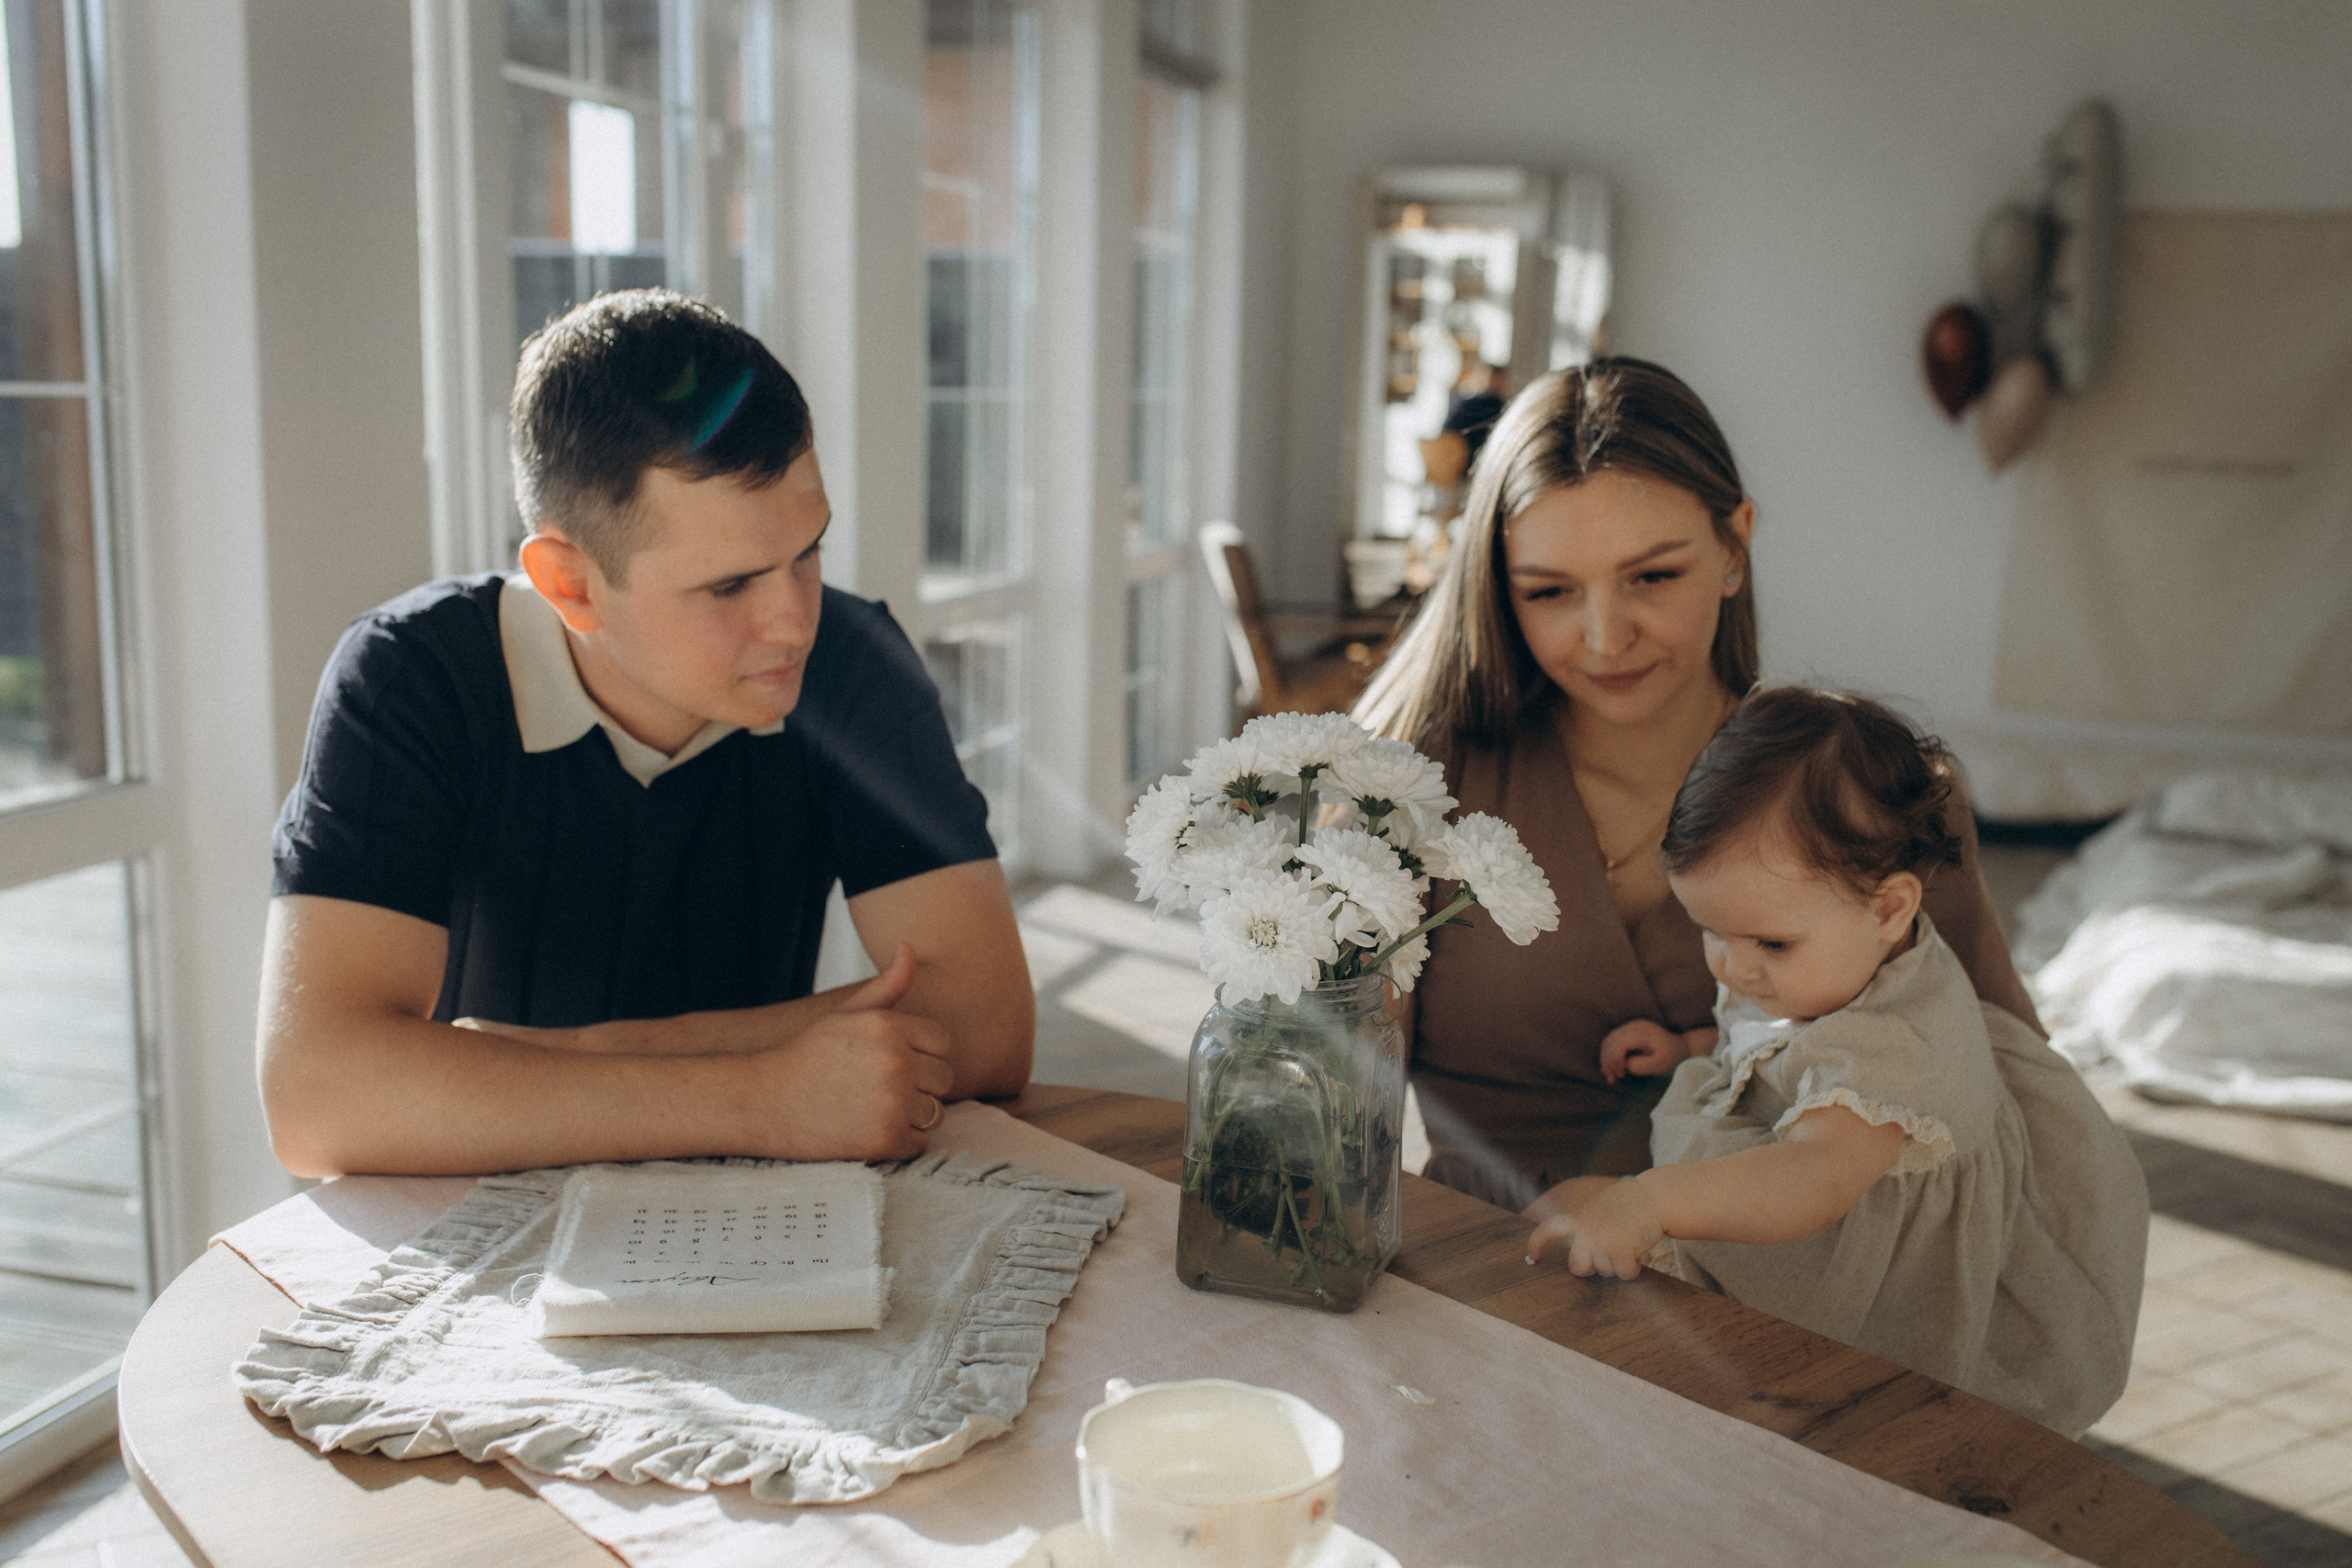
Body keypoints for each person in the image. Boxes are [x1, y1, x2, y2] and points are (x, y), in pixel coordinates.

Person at [258, 289, 1033, 1179]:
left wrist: (567, 1057)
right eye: (730, 586)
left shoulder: (853, 662)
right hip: (477, 1225)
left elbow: (988, 1020)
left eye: (807, 552)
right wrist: (761, 1094)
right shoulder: (410, 681)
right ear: (571, 584)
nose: (795, 622)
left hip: (758, 1218)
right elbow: (316, 1096)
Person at [1353, 358, 2039, 1211]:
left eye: (1653, 577)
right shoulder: (1411, 783)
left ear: (1733, 547)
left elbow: (2004, 1074)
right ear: (1500, 588)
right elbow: (1336, 1109)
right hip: (1485, 1271)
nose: (1606, 638)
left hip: (1793, 1291)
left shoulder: (1880, 795)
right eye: (1550, 592)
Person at [1524, 689, 2146, 1437]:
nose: (1734, 968)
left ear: (1889, 909)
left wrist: (1652, 1201)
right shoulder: (1836, 947)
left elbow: (1811, 1181)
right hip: (1802, 1170)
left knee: (1610, 1227)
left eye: (1769, 944)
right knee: (1570, 1215)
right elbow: (1777, 1035)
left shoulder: (1893, 1051)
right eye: (1711, 931)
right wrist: (1692, 1046)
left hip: (1858, 1263)